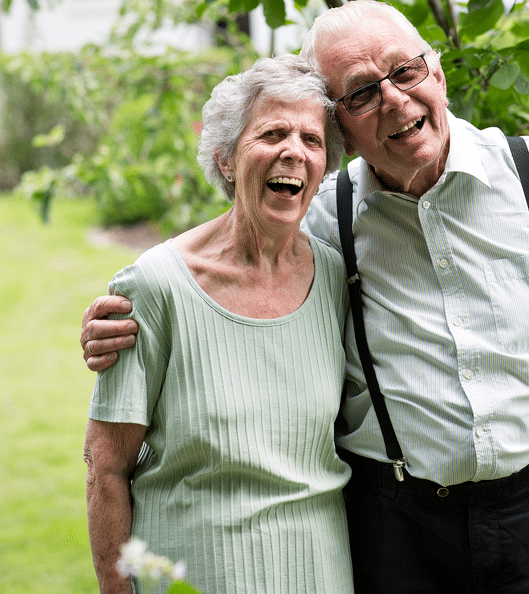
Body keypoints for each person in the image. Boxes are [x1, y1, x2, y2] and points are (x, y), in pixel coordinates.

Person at [81, 1, 529, 592]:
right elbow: (238, 248)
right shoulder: (324, 218)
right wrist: (131, 308)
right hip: (402, 532)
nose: (395, 100)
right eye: (362, 92)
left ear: (439, 72)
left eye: (405, 70)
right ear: (341, 124)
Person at [83, 55, 355, 594]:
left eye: (311, 139)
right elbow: (104, 467)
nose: (293, 152)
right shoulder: (155, 286)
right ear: (226, 159)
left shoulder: (335, 277)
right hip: (194, 575)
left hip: (321, 573)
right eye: (272, 132)